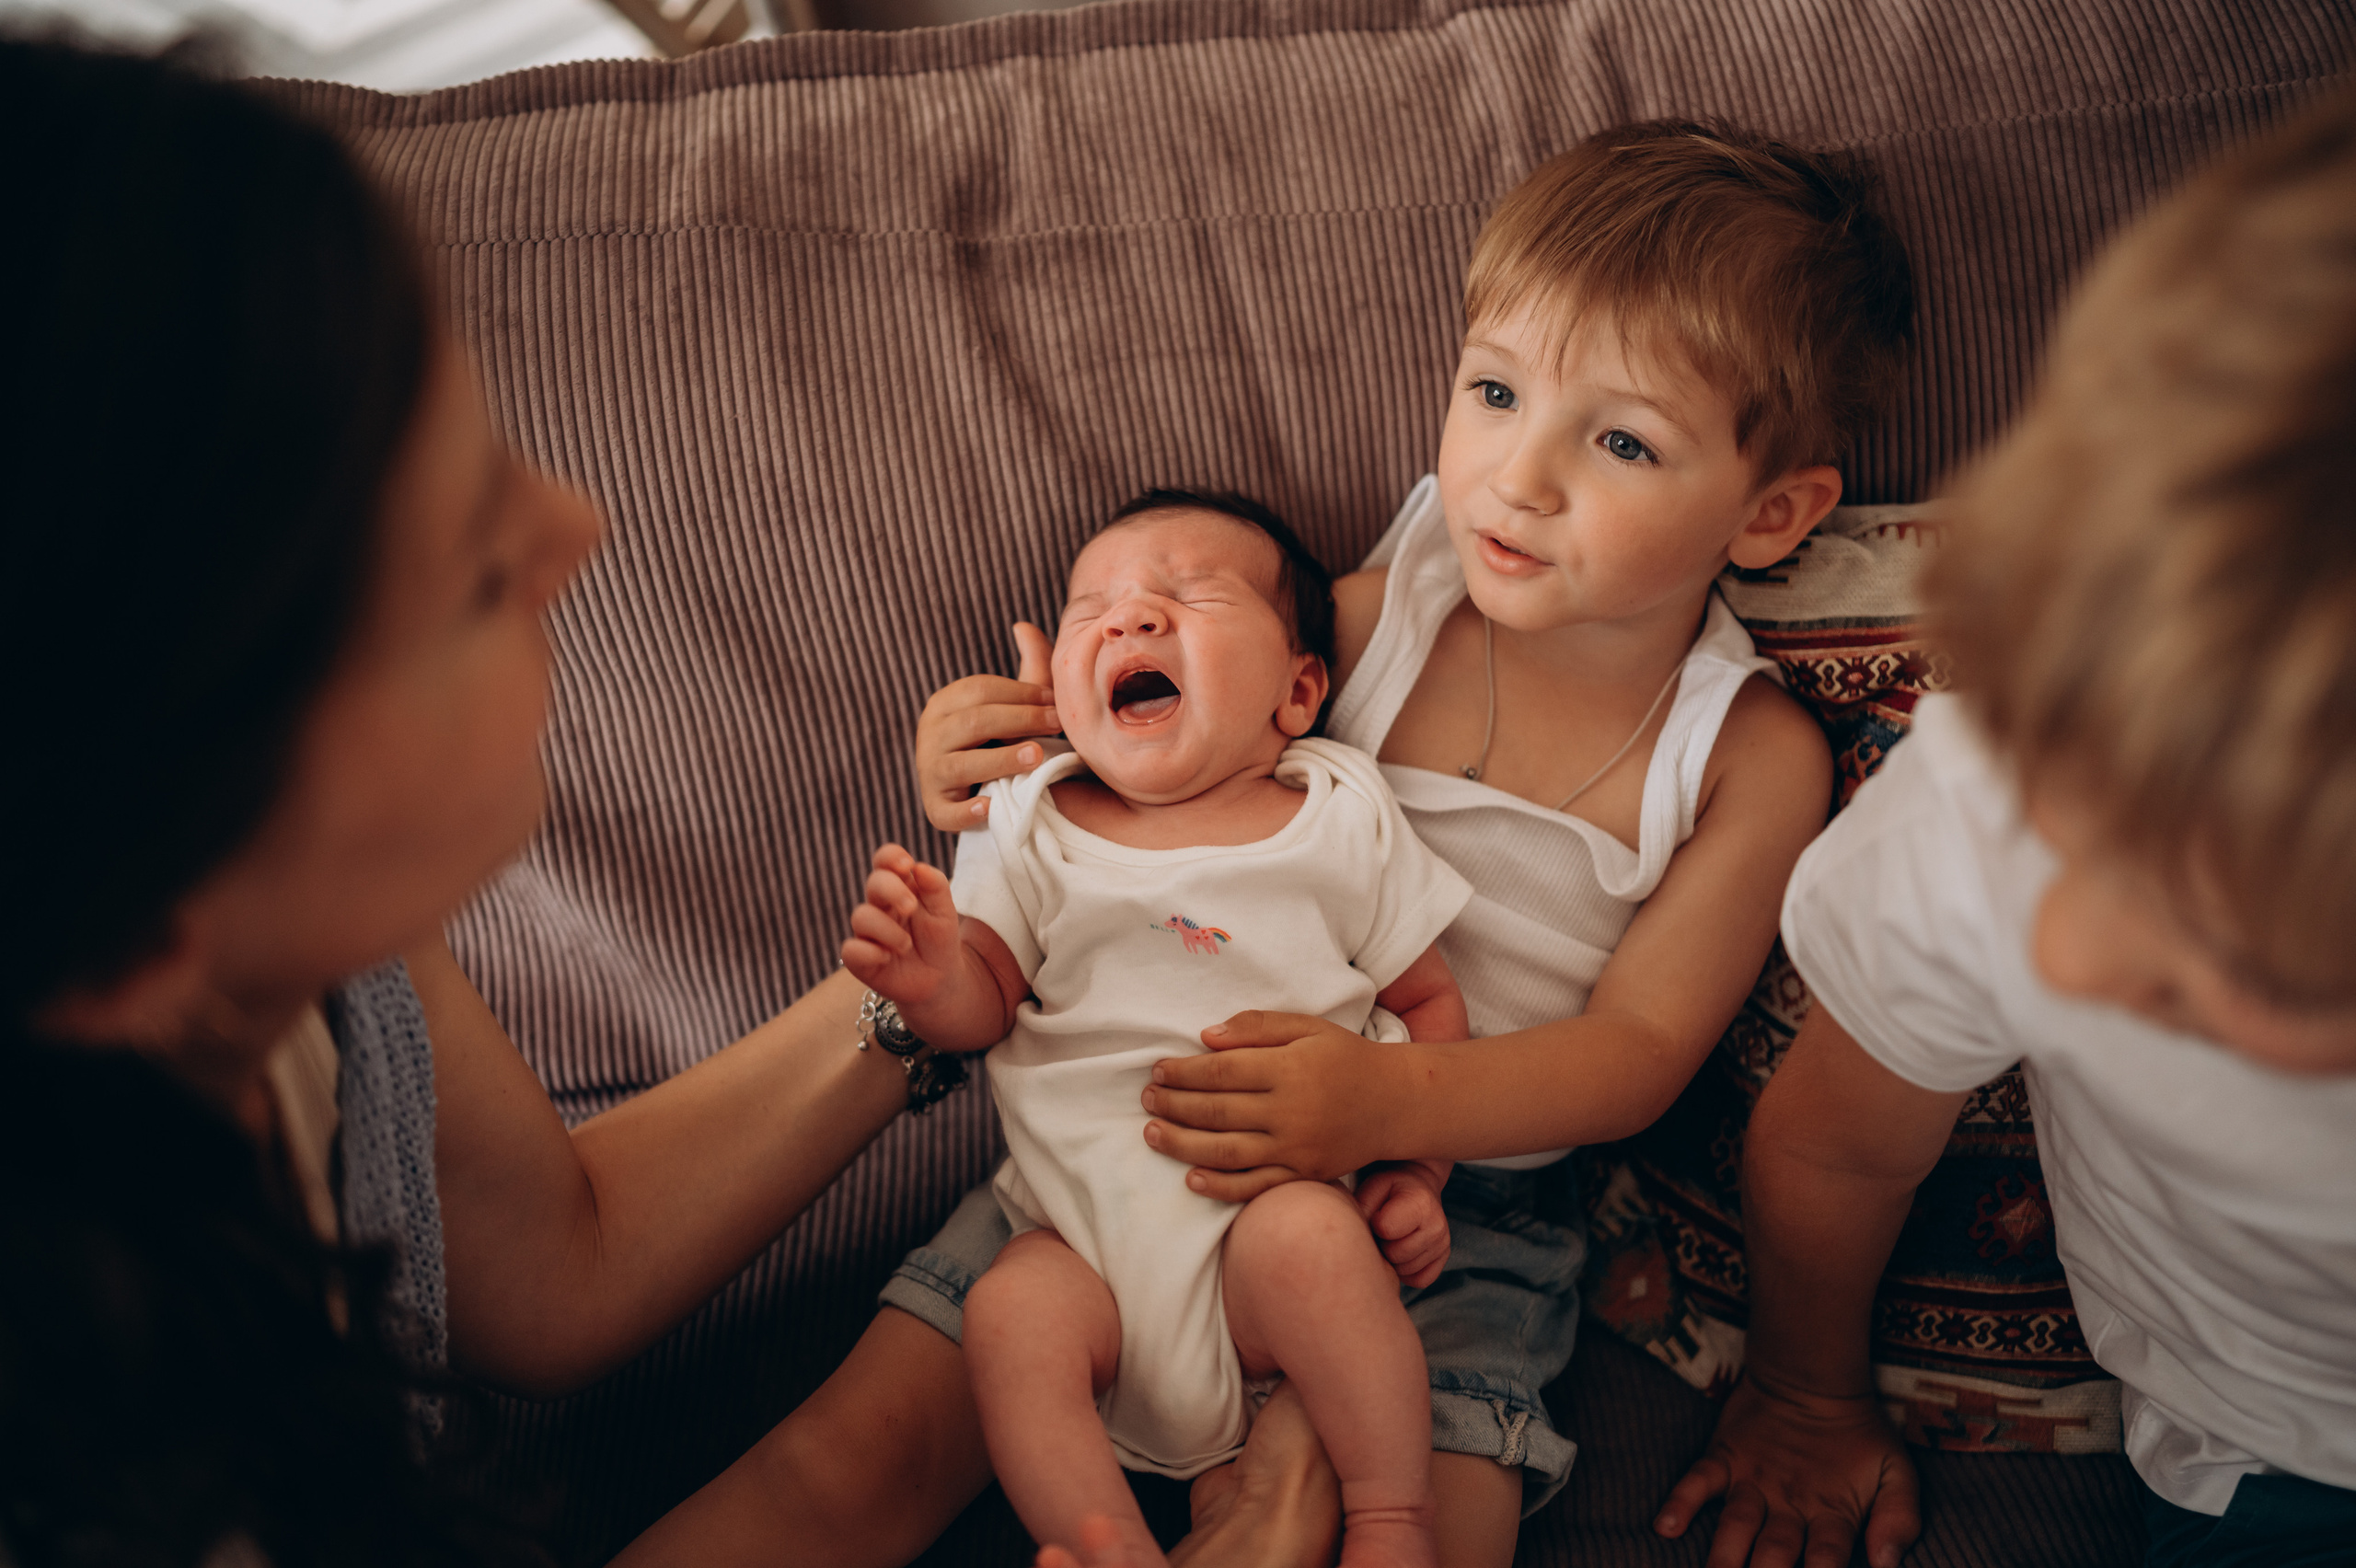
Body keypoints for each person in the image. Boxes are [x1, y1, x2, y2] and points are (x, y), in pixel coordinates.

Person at [1, 35, 1266, 1568]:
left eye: (489, 441)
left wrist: (953, 966)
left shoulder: (295, 957)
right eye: (471, 565)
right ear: (145, 915)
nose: (575, 527)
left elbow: (551, 1263)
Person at [784, 120, 1914, 1566]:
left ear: (1771, 513)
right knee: (856, 1455)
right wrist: (994, 740)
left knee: (1435, 1526)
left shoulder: (1750, 754)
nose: (1518, 477)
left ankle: (1300, 1488)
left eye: (1621, 440)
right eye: (1495, 392)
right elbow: (1167, 733)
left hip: (1464, 1194)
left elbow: (1637, 1054)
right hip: (1151, 1116)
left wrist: (1383, 1115)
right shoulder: (1383, 613)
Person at [1648, 88, 2356, 1568]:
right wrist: (1799, 1390)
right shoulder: (1985, 789)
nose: (2070, 944)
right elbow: (1838, 1150)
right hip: (2281, 1459)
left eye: (2224, 962)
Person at [842, 491, 1474, 1566]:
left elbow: (1425, 1006)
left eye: (1189, 596)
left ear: (1297, 689)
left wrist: (1417, 1172)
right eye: (1094, 607)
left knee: (1315, 1249)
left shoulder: (1336, 811)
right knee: (1007, 1314)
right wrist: (930, 975)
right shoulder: (1033, 818)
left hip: (1268, 1227)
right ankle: (1105, 1541)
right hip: (1079, 1243)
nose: (1129, 618)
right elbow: (984, 1003)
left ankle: (1387, 1517)